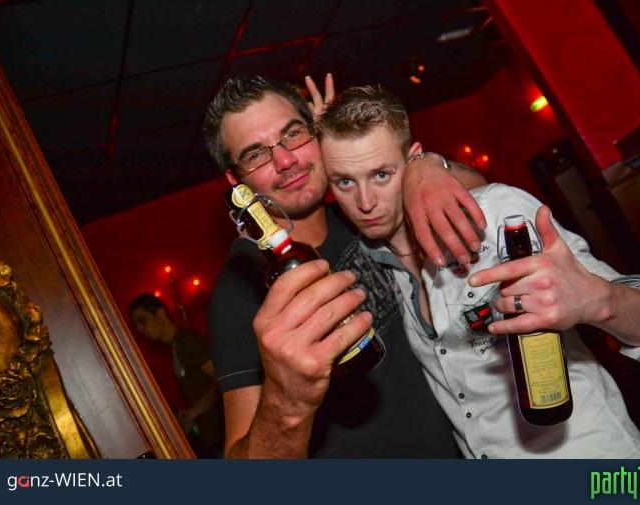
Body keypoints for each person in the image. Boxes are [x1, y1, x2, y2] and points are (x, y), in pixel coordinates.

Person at [316, 84, 640, 458]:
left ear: (412, 160)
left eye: (381, 174)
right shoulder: (373, 261)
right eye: (345, 181)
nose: (365, 202)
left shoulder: (496, 215)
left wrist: (601, 301)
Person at [203, 74, 487, 458]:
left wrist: (426, 166)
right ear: (236, 181)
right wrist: (287, 403)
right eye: (256, 155)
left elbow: (478, 193)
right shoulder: (239, 290)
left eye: (293, 134)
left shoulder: (358, 212)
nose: (285, 161)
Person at [129, 293, 223, 458]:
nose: (140, 329)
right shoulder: (176, 347)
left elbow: (222, 378)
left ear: (160, 313)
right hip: (210, 439)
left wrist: (192, 413)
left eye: (142, 321)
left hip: (222, 434)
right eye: (136, 326)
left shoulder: (188, 341)